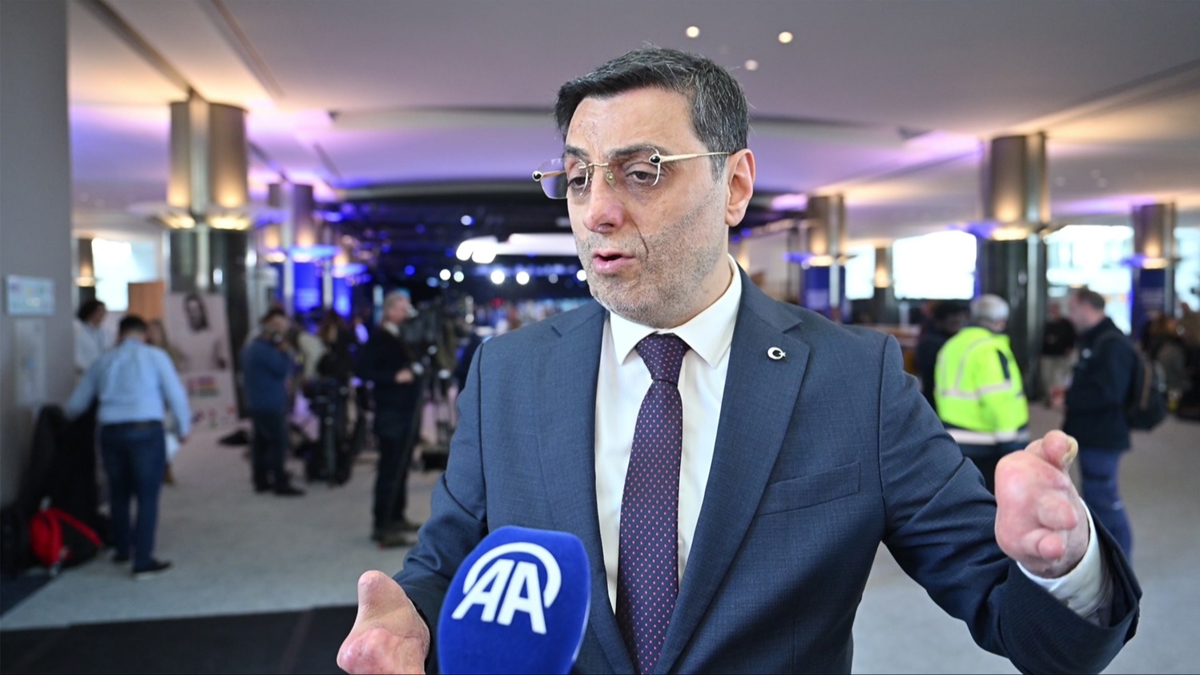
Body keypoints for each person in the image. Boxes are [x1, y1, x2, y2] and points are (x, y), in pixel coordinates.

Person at [338, 48, 1139, 675]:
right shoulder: (507, 373)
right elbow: (447, 563)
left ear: (736, 185)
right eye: (578, 178)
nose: (598, 210)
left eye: (642, 172)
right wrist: (411, 615)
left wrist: (1063, 561)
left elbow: (1033, 631)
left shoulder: (854, 381)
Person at [64, 315, 190, 579]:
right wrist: (184, 428)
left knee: (118, 492)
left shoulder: (103, 360)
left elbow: (76, 404)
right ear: (144, 335)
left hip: (110, 432)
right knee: (147, 496)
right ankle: (143, 561)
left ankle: (123, 550)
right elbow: (175, 394)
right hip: (146, 431)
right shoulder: (155, 357)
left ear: (119, 334)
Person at [1064, 288, 1137, 558]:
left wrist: (1070, 398)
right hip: (1092, 433)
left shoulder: (1111, 343)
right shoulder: (1096, 340)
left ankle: (1120, 562)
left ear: (1085, 307)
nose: (1070, 316)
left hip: (1103, 436)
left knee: (1104, 501)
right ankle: (1108, 559)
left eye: (1072, 309)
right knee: (1096, 499)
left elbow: (1110, 393)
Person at [934, 295, 1030, 493]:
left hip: (955, 438)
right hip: (987, 442)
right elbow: (997, 400)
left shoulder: (952, 345)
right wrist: (1010, 442)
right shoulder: (989, 349)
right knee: (993, 501)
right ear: (1001, 321)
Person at [356, 291, 424, 544]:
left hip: (406, 411)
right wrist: (393, 377)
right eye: (403, 308)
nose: (407, 313)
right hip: (390, 413)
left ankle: (397, 516)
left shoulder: (404, 336)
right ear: (390, 311)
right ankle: (382, 524)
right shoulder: (379, 338)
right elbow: (362, 369)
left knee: (402, 466)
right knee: (389, 469)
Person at [240, 309, 305, 497]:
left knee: (260, 443)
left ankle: (260, 480)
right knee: (278, 444)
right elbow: (282, 369)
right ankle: (279, 482)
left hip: (256, 402)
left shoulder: (250, 348)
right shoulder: (265, 351)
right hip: (271, 403)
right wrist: (285, 352)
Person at [145, 319, 184, 485]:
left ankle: (167, 467)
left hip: (166, 401)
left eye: (156, 331)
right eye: (150, 331)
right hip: (149, 402)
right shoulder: (142, 352)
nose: (153, 334)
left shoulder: (170, 352)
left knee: (169, 437)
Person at [915, 300, 969, 408]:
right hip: (937, 403)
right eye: (954, 320)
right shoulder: (933, 343)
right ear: (940, 321)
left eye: (961, 319)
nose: (959, 324)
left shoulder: (930, 339)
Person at [175, 292, 230, 373]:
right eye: (189, 310)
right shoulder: (179, 339)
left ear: (201, 311)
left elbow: (224, 365)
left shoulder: (216, 336)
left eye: (195, 310)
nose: (193, 314)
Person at [1040, 300, 1076, 407]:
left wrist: (1070, 348)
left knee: (1057, 378)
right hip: (1048, 354)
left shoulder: (1066, 324)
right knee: (1046, 377)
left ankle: (1056, 399)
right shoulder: (1048, 324)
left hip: (1061, 355)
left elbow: (1072, 336)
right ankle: (1049, 397)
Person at [74, 298, 109, 377]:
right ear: (91, 312)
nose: (102, 315)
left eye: (104, 312)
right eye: (99, 311)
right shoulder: (77, 328)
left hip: (99, 372)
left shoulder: (104, 332)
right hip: (81, 371)